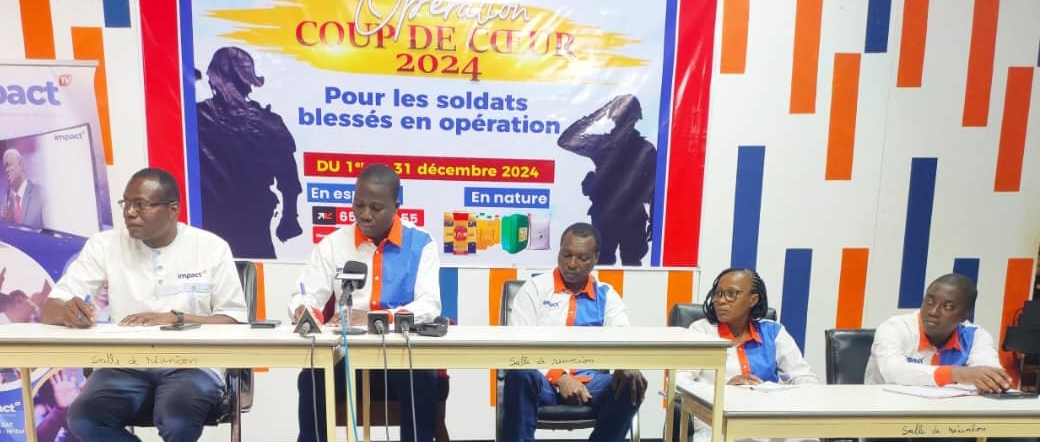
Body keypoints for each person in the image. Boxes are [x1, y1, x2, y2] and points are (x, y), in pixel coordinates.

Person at [39, 167, 248, 442]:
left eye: (140, 204)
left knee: (177, 422)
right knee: (84, 419)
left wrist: (178, 318)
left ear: (172, 210)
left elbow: (234, 319)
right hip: (123, 363)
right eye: (126, 203)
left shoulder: (210, 248)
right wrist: (67, 311)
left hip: (193, 363)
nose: (129, 212)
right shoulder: (104, 245)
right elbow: (50, 308)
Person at [290, 164, 441, 442]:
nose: (365, 214)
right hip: (346, 355)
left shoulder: (421, 243)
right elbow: (304, 293)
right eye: (358, 205)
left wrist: (375, 318)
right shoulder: (334, 244)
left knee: (421, 380)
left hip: (399, 353)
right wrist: (304, 309)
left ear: (396, 207)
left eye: (376, 207)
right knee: (311, 378)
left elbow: (430, 305)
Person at [501, 222, 648, 442]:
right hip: (542, 381)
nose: (571, 264)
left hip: (590, 383)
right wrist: (560, 378)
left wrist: (627, 363)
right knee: (519, 375)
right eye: (566, 255)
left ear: (596, 258)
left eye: (582, 258)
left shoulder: (606, 295)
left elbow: (622, 337)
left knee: (631, 381)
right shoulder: (535, 289)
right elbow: (519, 347)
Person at [676, 268, 820, 442]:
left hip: (767, 416)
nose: (721, 300)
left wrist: (784, 391)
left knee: (807, 437)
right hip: (716, 418)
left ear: (753, 299)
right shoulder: (701, 331)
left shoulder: (774, 332)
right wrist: (724, 390)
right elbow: (678, 382)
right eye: (717, 294)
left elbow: (805, 377)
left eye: (731, 294)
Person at [196, 46, 303, 259]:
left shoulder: (196, 117)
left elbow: (289, 178)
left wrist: (290, 217)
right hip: (243, 218)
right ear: (248, 81)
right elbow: (289, 179)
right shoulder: (269, 122)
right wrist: (289, 217)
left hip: (224, 218)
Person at [865, 273, 1011, 391]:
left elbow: (990, 374)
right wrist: (956, 374)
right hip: (888, 409)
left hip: (948, 412)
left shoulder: (976, 336)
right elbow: (893, 371)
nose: (933, 312)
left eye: (948, 306)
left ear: (965, 315)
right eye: (929, 302)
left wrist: (991, 380)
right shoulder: (895, 328)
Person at [557, 95, 656, 266]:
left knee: (631, 264)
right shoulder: (603, 144)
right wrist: (600, 113)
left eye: (628, 116)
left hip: (632, 216)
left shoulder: (644, 149)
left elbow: (655, 188)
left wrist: (655, 221)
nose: (625, 120)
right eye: (622, 116)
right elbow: (566, 141)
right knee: (602, 262)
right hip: (606, 214)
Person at [1, 149, 44, 228]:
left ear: (21, 164)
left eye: (9, 164)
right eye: (5, 167)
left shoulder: (41, 193)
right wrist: (7, 223)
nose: (6, 170)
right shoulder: (8, 203)